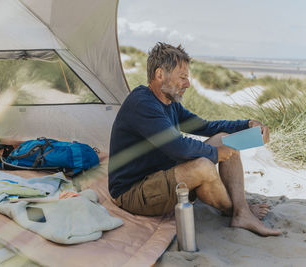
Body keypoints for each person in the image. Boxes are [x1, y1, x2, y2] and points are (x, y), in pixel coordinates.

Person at [108, 42, 280, 236]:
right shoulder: (142, 103)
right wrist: (215, 153)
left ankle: (241, 212)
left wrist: (247, 125)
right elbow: (178, 148)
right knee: (203, 166)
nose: (187, 84)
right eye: (182, 77)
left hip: (161, 176)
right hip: (132, 192)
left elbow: (206, 126)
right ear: (159, 75)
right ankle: (237, 211)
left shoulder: (169, 103)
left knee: (225, 139)